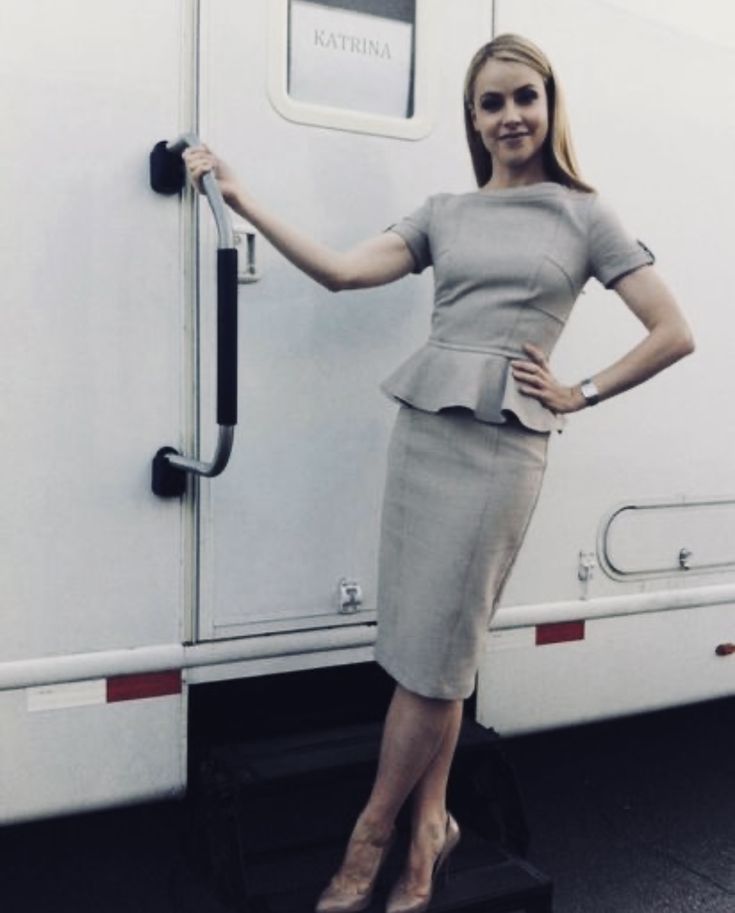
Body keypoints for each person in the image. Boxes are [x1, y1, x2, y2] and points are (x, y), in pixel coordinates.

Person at [184, 32, 694, 913]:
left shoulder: (584, 214)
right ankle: (430, 828)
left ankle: (371, 836)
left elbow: (671, 331)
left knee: (434, 659)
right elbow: (344, 273)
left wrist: (581, 390)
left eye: (523, 98)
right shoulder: (443, 211)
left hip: (501, 447)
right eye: (491, 103)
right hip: (423, 435)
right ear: (471, 116)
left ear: (550, 103)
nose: (509, 117)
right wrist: (243, 199)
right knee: (429, 651)